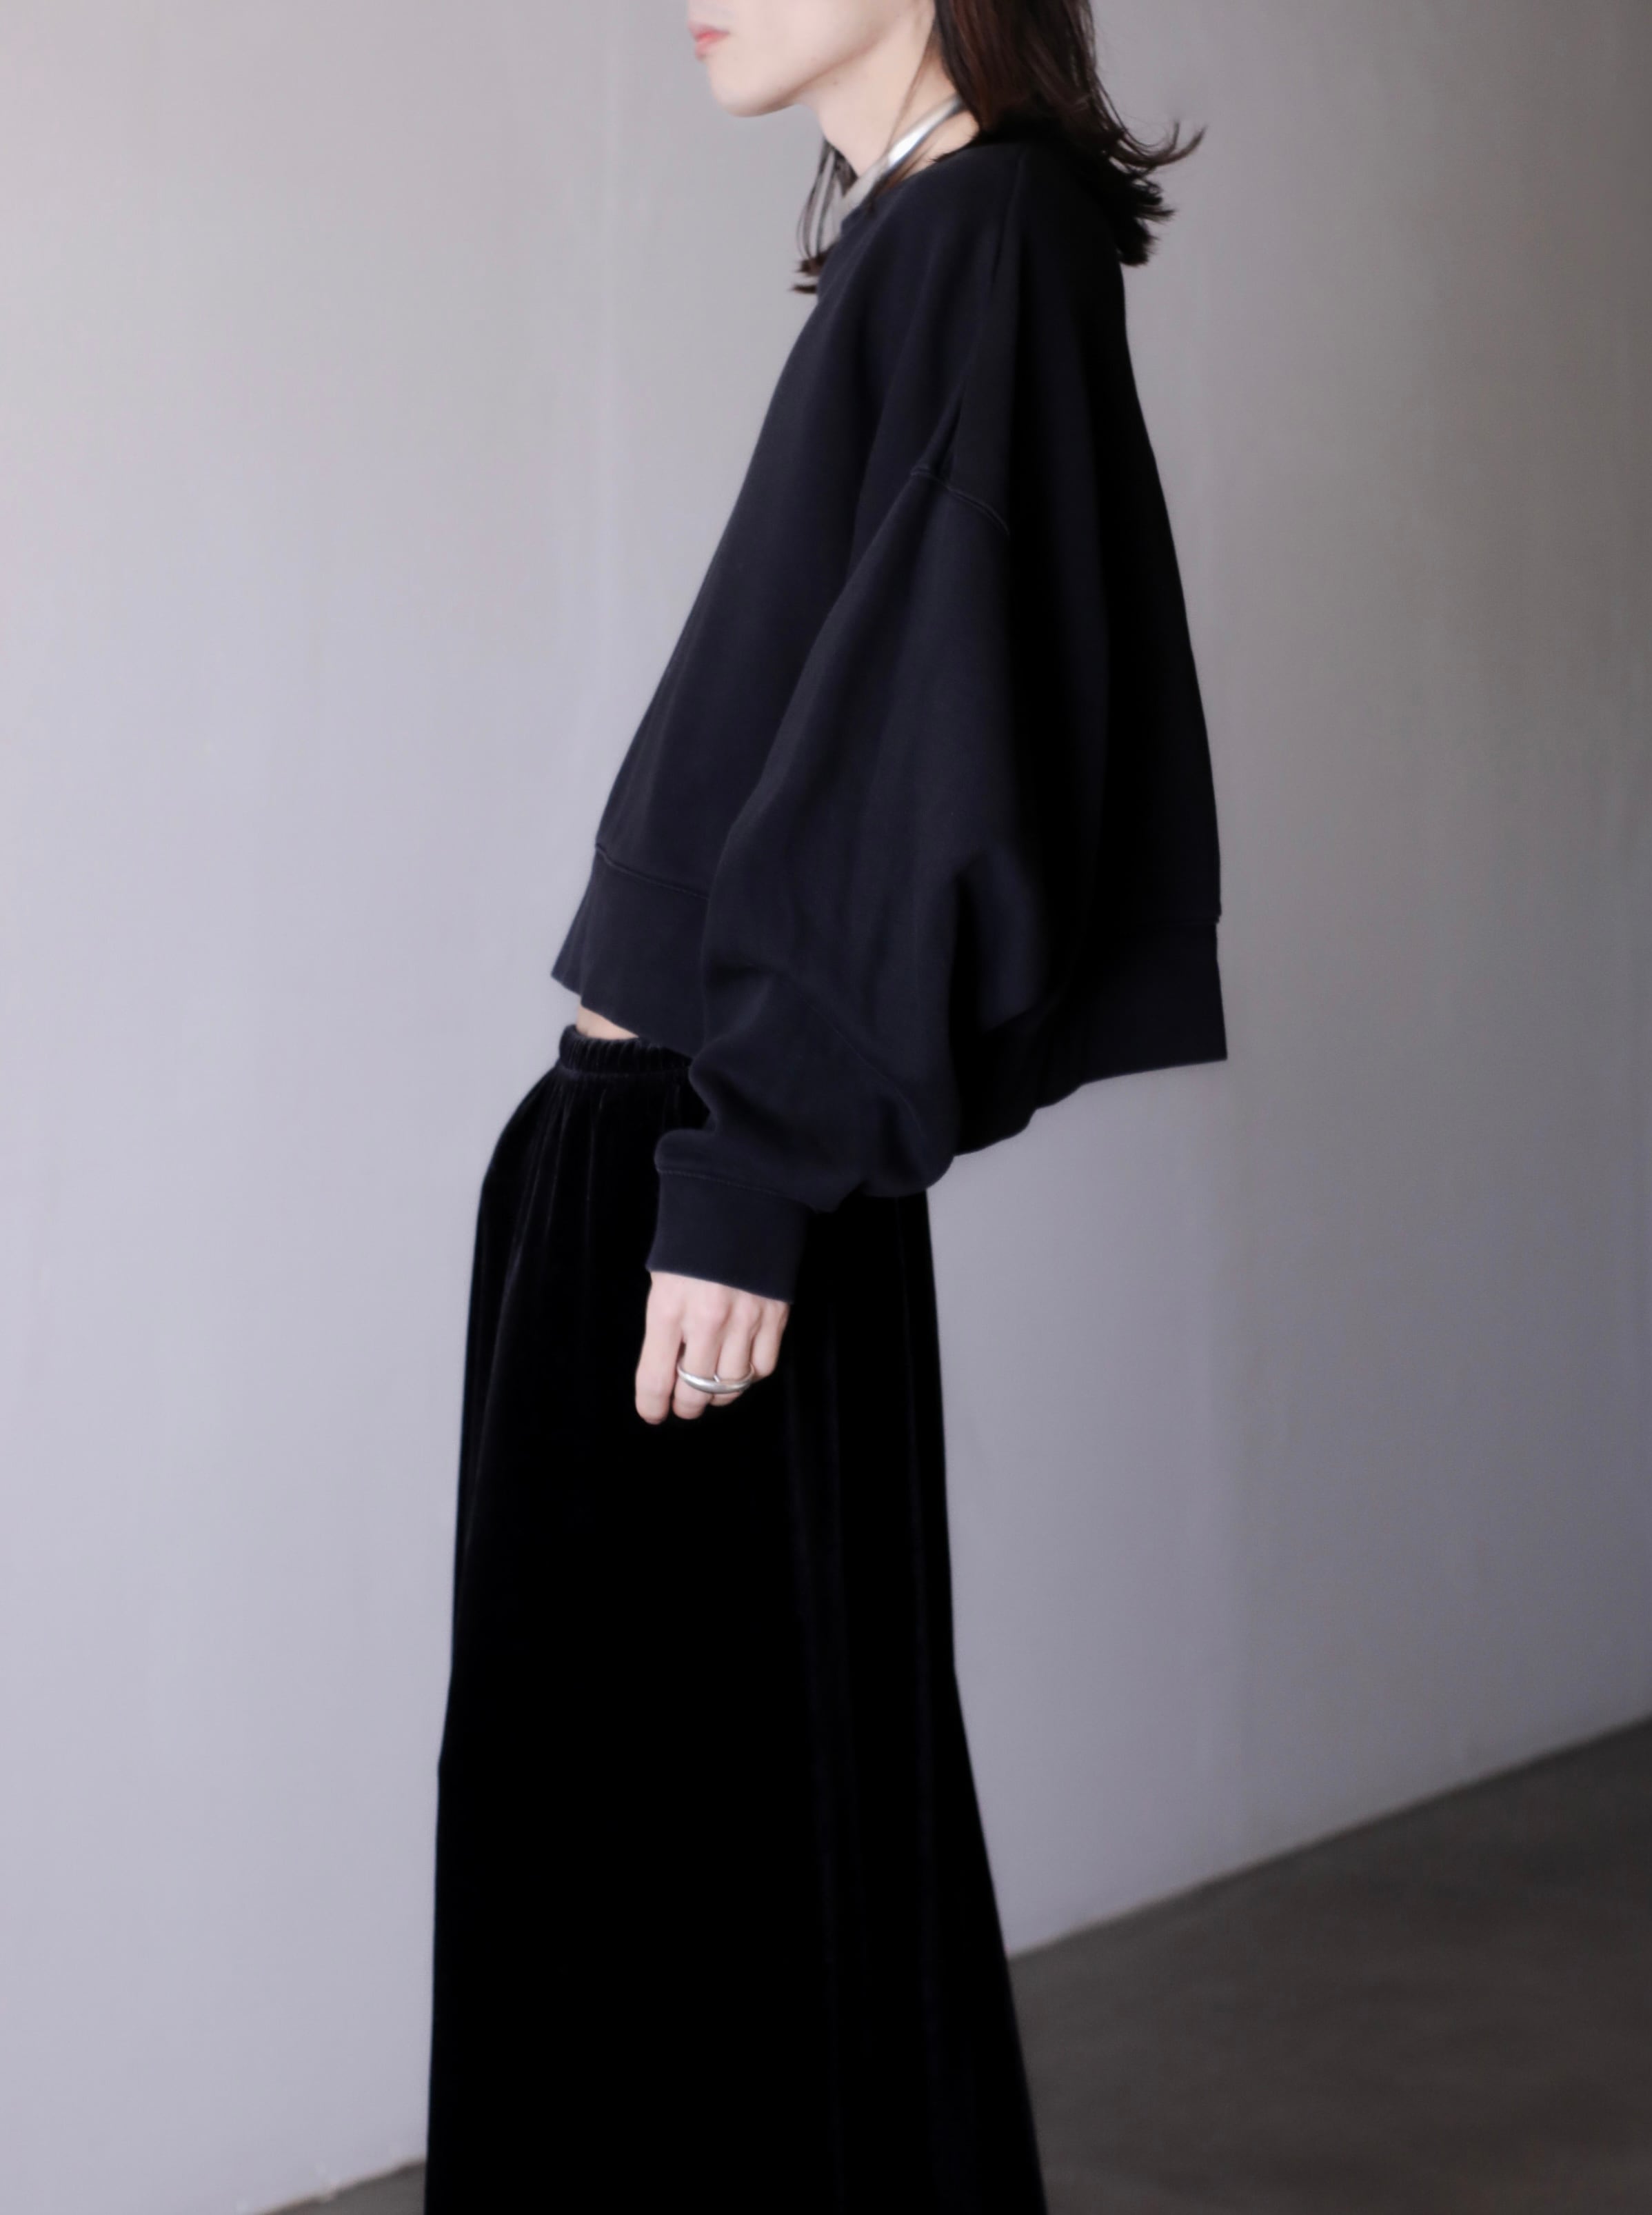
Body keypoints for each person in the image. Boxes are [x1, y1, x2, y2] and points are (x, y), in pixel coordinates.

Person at [422, 1, 1225, 2205]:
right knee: (677, 1885)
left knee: (671, 1911)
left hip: (707, 1180)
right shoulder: (921, 233)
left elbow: (939, 729)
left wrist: (755, 1169)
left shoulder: (985, 235)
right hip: (671, 1158)